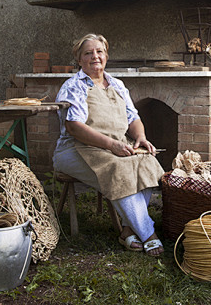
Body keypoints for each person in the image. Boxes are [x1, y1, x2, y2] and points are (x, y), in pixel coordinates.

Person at [53, 34, 165, 256]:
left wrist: (140, 137)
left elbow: (133, 117)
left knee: (147, 163)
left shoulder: (117, 85)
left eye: (99, 51)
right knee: (119, 169)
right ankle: (148, 234)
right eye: (88, 53)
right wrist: (111, 146)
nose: (95, 56)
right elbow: (74, 127)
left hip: (115, 145)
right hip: (76, 148)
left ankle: (127, 230)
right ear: (79, 59)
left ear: (106, 56)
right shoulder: (74, 85)